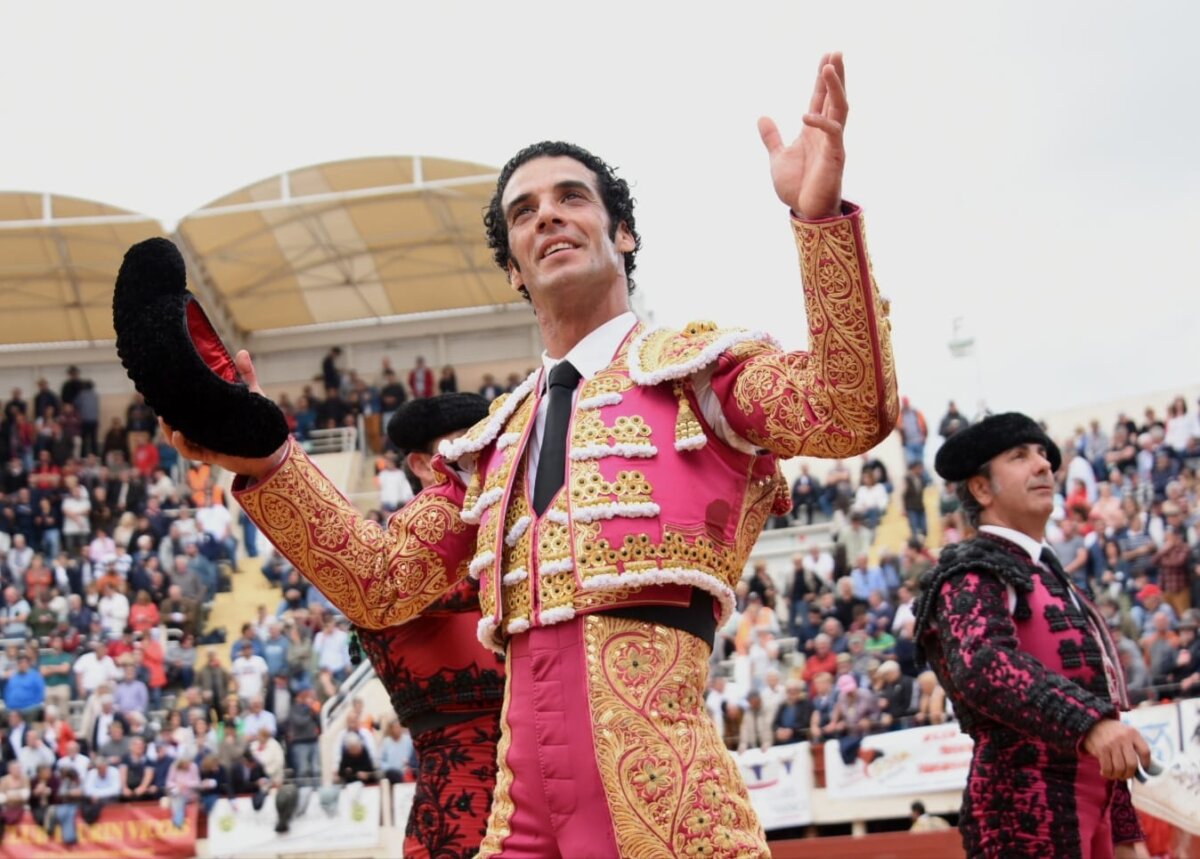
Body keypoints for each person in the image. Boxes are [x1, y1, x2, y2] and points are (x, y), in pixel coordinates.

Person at [165, 53, 895, 859]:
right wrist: (264, 458)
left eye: (571, 198)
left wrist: (820, 221)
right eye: (524, 213)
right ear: (513, 267)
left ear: (623, 233)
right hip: (519, 824)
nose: (548, 216)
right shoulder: (492, 442)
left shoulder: (700, 375)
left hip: (669, 811)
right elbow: (379, 582)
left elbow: (848, 407)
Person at [913, 412, 1150, 858]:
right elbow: (982, 665)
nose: (1043, 466)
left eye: (1043, 455)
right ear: (982, 489)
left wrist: (1123, 829)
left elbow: (1106, 705)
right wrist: (1090, 724)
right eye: (1020, 457)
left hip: (1093, 805)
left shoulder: (1054, 577)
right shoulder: (969, 573)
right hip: (1022, 807)